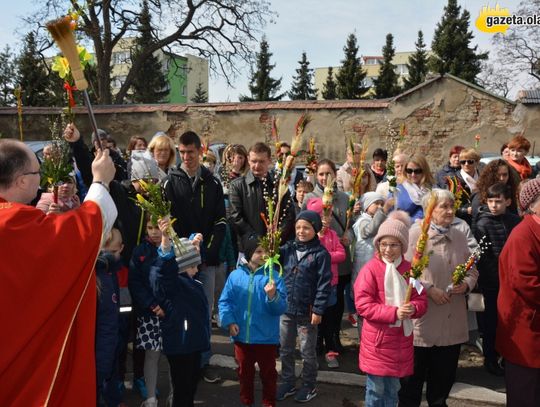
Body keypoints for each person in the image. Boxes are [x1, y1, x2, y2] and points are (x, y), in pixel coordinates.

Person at [0, 139, 116, 407]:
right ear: (21, 181)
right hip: (19, 372)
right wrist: (100, 181)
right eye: (36, 172)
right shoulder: (14, 225)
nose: (40, 177)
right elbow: (87, 231)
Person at [398, 189, 478, 407]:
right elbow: (404, 273)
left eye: (452, 206)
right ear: (429, 210)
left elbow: (472, 269)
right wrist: (429, 289)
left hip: (452, 321)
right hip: (422, 321)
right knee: (411, 383)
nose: (450, 211)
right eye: (444, 206)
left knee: (442, 383)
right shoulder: (415, 234)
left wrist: (467, 283)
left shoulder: (460, 234)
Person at [164, 130, 227, 383]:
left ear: (200, 152)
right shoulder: (170, 182)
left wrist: (207, 251)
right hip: (180, 261)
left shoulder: (212, 183)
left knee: (203, 311)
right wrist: (183, 250)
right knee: (181, 310)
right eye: (182, 152)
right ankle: (183, 360)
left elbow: (220, 221)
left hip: (207, 259)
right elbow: (166, 221)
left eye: (191, 152)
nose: (186, 157)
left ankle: (203, 361)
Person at [354, 211, 427, 406]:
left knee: (394, 390)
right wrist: (394, 313)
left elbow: (421, 298)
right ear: (377, 244)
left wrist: (413, 308)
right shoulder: (370, 269)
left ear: (402, 246)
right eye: (383, 244)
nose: (388, 249)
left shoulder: (410, 269)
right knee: (376, 390)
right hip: (377, 342)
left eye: (394, 245)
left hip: (400, 342)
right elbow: (363, 305)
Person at [219, 236, 287, 407]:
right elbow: (225, 301)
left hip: (266, 338)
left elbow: (280, 308)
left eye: (266, 251)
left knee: (268, 375)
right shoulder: (235, 276)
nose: (263, 255)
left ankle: (269, 402)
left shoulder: (274, 277)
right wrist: (229, 321)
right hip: (242, 338)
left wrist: (273, 296)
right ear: (249, 253)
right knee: (244, 374)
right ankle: (246, 401)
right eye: (258, 251)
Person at [151, 218, 209, 407]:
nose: (197, 269)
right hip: (180, 345)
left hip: (193, 344)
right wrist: (166, 243)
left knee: (190, 386)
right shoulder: (173, 284)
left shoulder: (192, 281)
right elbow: (163, 271)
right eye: (193, 266)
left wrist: (195, 244)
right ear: (182, 266)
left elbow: (187, 262)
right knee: (182, 389)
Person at [276, 210, 332, 403]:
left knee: (308, 351)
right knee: (285, 348)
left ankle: (309, 384)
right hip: (286, 309)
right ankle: (287, 381)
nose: (301, 231)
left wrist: (318, 309)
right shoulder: (288, 248)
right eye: (298, 227)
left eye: (306, 227)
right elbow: (273, 258)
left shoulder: (320, 254)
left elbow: (324, 284)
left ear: (315, 229)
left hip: (307, 312)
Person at [302, 159, 355, 352]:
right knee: (318, 302)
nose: (325, 178)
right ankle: (318, 339)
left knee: (336, 303)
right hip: (317, 260)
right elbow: (302, 226)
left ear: (335, 174)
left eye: (328, 173)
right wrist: (315, 232)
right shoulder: (310, 197)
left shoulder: (343, 197)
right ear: (316, 175)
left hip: (338, 260)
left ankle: (333, 338)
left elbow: (352, 224)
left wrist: (349, 235)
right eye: (321, 174)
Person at [497, 178, 540, 407]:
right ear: (532, 205)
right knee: (525, 394)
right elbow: (526, 283)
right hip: (526, 330)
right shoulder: (522, 235)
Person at [472, 183, 521, 376]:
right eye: (490, 201)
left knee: (511, 322)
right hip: (493, 281)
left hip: (513, 281)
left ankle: (508, 357)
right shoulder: (482, 223)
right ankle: (490, 358)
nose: (493, 205)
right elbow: (483, 256)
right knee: (492, 322)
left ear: (508, 202)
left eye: (498, 201)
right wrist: (496, 278)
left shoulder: (515, 221)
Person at [129, 215, 166, 407]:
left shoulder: (173, 248)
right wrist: (153, 305)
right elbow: (135, 283)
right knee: (152, 354)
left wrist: (167, 306)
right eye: (150, 228)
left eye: (158, 228)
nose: (154, 232)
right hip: (149, 313)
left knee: (175, 354)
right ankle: (151, 397)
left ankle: (175, 394)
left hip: (171, 313)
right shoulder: (140, 251)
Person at [229, 142, 296, 251]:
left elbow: (289, 213)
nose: (257, 166)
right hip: (250, 249)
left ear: (269, 160)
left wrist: (276, 238)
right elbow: (235, 217)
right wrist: (258, 242)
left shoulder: (279, 184)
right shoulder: (237, 186)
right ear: (248, 160)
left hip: (277, 247)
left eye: (261, 161)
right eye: (254, 161)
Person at [306, 198, 346, 368]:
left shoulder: (333, 235)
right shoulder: (310, 237)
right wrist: (326, 256)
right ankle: (315, 349)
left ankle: (330, 350)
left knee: (329, 318)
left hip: (331, 283)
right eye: (320, 216)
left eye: (327, 216)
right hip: (313, 285)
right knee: (314, 320)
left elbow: (341, 254)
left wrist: (325, 256)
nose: (325, 220)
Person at [471, 159, 520, 223]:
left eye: (505, 175)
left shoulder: (511, 191)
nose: (502, 178)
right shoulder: (479, 194)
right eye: (498, 175)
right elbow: (476, 217)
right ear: (490, 176)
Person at [395, 154, 434, 221]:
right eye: (409, 171)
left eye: (417, 171)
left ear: (424, 171)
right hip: (403, 226)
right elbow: (390, 211)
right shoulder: (398, 188)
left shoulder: (431, 188)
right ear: (405, 170)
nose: (413, 175)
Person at [453, 148, 482, 226]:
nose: (466, 164)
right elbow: (449, 204)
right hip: (462, 221)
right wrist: (466, 210)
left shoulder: (483, 177)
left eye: (470, 161)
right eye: (463, 162)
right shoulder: (453, 180)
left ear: (477, 162)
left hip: (481, 218)